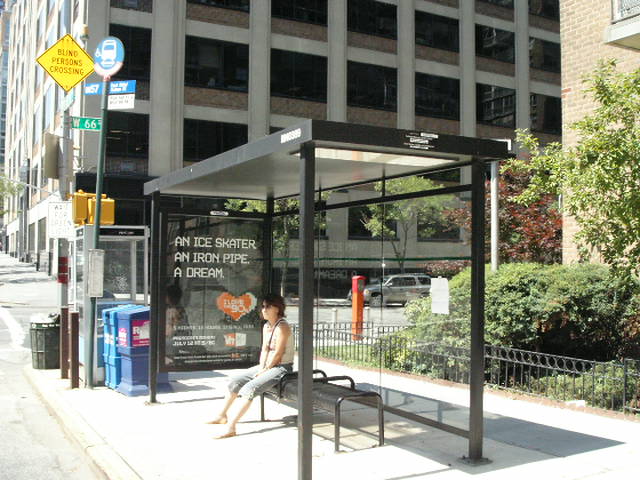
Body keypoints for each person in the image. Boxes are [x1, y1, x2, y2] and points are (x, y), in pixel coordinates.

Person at [208, 293, 293, 438]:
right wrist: (262, 367)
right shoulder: (267, 326)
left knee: (249, 388)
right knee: (235, 381)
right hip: (267, 366)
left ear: (277, 309)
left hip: (281, 367)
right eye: (263, 306)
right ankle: (222, 415)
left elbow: (278, 354)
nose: (263, 310)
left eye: (268, 307)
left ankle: (231, 427)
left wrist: (265, 370)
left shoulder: (282, 327)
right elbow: (265, 349)